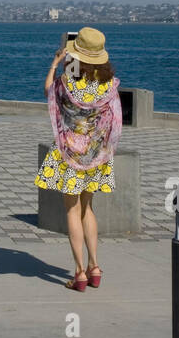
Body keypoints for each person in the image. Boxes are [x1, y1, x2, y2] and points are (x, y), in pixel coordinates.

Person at [35, 28, 122, 292]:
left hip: (69, 154)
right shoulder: (108, 84)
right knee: (88, 209)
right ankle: (95, 266)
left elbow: (49, 91)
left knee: (72, 210)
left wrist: (55, 63)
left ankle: (80, 272)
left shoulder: (68, 82)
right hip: (96, 155)